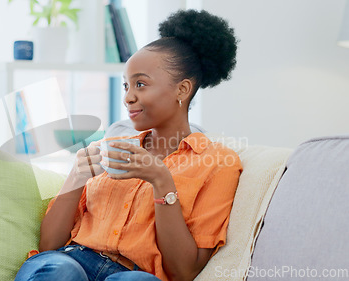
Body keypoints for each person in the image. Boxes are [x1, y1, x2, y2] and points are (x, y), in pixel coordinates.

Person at [15, 9, 242, 281]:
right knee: (63, 270)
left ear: (182, 90)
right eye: (126, 86)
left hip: (133, 273)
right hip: (70, 260)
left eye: (141, 84)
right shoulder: (111, 148)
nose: (128, 98)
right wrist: (76, 176)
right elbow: (49, 245)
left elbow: (184, 272)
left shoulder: (217, 163)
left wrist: (161, 180)